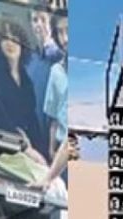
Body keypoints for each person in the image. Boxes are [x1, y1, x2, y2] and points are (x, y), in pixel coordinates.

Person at [0, 15, 49, 161]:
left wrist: (42, 155)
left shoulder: (26, 81)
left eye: (14, 39)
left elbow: (32, 120)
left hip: (25, 146)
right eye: (5, 38)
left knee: (48, 173)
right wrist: (25, 146)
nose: (10, 43)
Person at [44, 12, 68, 161]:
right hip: (61, 149)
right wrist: (51, 149)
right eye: (60, 32)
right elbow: (53, 117)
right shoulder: (56, 71)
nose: (65, 39)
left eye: (68, 30)